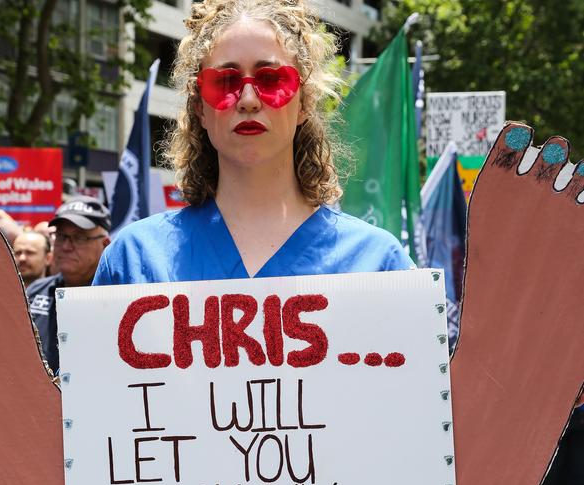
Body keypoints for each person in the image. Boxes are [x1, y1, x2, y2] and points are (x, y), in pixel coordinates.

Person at [93, 0, 413, 287]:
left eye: (271, 79)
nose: (248, 100)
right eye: (225, 81)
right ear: (200, 109)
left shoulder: (379, 264)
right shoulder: (133, 260)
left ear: (303, 103)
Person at [27, 195, 111, 374]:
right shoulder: (35, 292)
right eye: (61, 236)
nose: (65, 246)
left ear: (105, 244)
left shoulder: (117, 298)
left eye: (79, 238)